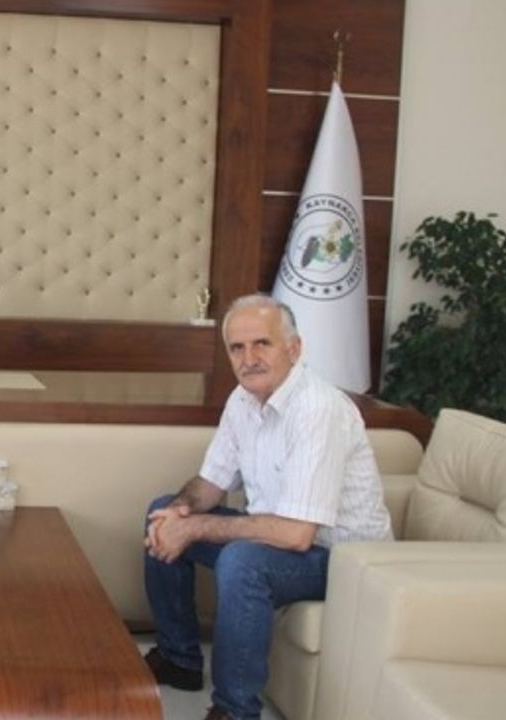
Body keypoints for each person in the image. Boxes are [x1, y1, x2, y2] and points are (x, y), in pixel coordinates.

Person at [141, 294, 391, 720]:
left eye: (262, 344)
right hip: (282, 539)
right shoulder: (242, 400)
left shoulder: (317, 409)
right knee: (162, 511)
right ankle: (179, 658)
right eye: (237, 348)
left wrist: (195, 528)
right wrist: (180, 513)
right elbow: (210, 484)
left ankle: (235, 710)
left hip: (344, 560)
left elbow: (297, 534)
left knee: (244, 562)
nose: (249, 358)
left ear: (294, 349)